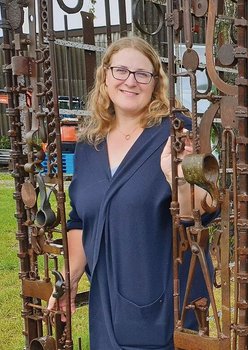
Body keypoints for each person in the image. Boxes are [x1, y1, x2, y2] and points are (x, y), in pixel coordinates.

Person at [48, 36, 216, 349]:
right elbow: (82, 220)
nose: (130, 81)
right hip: (108, 304)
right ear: (105, 76)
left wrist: (175, 177)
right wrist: (70, 277)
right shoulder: (89, 143)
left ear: (156, 83)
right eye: (120, 70)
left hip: (168, 302)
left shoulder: (176, 130)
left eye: (142, 74)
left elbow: (202, 210)